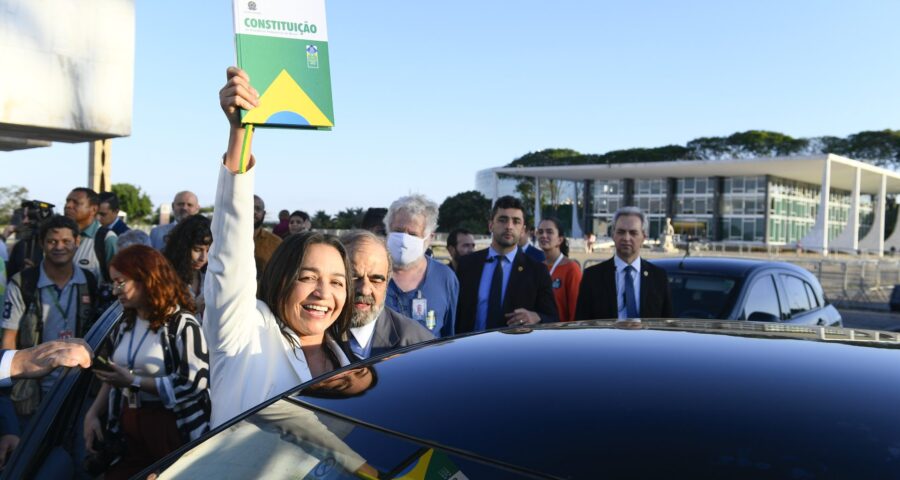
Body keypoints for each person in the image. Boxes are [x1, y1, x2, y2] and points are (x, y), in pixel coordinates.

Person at [204, 66, 353, 428]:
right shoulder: (245, 331)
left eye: (337, 282)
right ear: (283, 277)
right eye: (309, 277)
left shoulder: (351, 367)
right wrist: (240, 133)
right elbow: (231, 251)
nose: (323, 293)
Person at [83, 245, 210, 480]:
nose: (114, 290)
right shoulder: (124, 324)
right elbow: (114, 377)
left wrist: (134, 381)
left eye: (121, 282)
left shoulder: (182, 324)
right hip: (129, 425)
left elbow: (195, 383)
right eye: (113, 282)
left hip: (170, 428)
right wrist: (92, 414)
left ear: (146, 279)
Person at [2, 215, 99, 413]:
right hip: (31, 392)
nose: (59, 247)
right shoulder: (23, 283)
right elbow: (8, 339)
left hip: (75, 388)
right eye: (52, 241)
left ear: (77, 242)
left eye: (66, 241)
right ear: (41, 244)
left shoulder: (88, 280)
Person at [455, 196, 558, 333]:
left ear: (523, 230)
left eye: (516, 222)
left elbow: (552, 317)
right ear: (490, 225)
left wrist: (536, 317)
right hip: (470, 349)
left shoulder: (537, 271)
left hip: (515, 351)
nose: (509, 226)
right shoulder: (467, 265)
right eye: (503, 220)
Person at [340, 230, 433, 360]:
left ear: (387, 283)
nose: (365, 290)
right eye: (354, 277)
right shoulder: (310, 335)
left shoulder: (417, 344)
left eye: (376, 280)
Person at [574, 206, 673, 320]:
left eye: (633, 233)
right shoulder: (592, 276)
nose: (626, 238)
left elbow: (667, 323)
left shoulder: (659, 277)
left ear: (643, 237)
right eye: (621, 232)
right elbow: (582, 322)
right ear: (613, 235)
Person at [383, 194, 458, 337]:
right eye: (398, 231)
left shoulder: (445, 278)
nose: (404, 239)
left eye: (412, 234)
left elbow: (449, 335)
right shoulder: (370, 274)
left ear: (429, 238)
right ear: (388, 230)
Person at [163, 215, 212, 322]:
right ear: (183, 247)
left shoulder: (208, 277)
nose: (203, 258)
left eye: (208, 251)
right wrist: (194, 309)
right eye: (197, 249)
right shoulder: (164, 276)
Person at [64, 188, 118, 286]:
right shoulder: (60, 237)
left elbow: (120, 281)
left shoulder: (106, 239)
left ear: (93, 209)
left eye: (76, 203)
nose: (68, 206)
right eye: (67, 201)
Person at [536, 218, 582, 322]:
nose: (543, 235)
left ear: (560, 240)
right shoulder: (537, 268)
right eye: (540, 232)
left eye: (549, 232)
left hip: (562, 335)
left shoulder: (571, 268)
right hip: (540, 334)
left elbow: (576, 311)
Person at [253, 194, 283, 278]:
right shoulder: (223, 239)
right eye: (249, 208)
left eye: (258, 209)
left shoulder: (276, 243)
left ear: (263, 214)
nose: (254, 212)